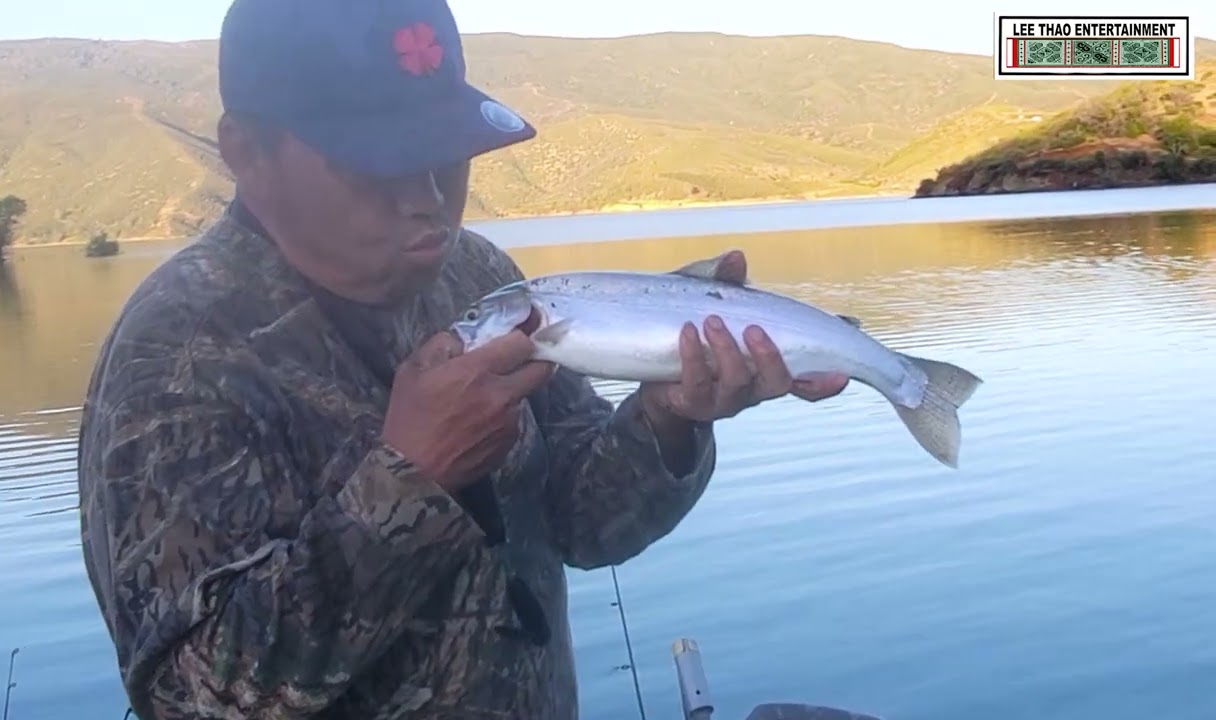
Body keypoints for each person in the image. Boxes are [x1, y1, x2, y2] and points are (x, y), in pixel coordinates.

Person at [75, 0, 849, 718]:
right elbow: (186, 694)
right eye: (375, 160)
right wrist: (412, 481)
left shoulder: (476, 275)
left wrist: (668, 417)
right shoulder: (176, 357)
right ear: (247, 152)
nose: (427, 195)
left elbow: (584, 525)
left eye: (445, 152)